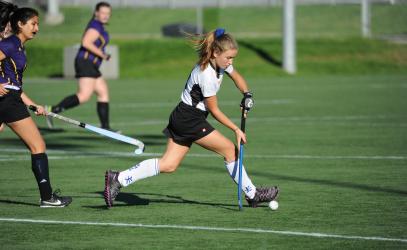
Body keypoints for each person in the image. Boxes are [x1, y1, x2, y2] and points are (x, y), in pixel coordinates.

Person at [104, 28, 279, 208]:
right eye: (228, 58)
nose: (230, 62)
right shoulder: (206, 75)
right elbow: (214, 110)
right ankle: (252, 194)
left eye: (233, 58)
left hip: (183, 117)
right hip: (190, 119)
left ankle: (118, 178)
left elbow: (236, 76)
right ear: (215, 53)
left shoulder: (220, 62)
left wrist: (247, 94)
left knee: (168, 165)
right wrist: (236, 129)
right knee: (230, 150)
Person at [0, 2, 72, 207]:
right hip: (7, 102)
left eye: (37, 24)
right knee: (38, 145)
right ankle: (48, 197)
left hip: (10, 98)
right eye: (32, 24)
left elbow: (14, 85)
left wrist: (33, 105)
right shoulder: (11, 44)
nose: (36, 28)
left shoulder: (17, 46)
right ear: (20, 24)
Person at [45, 2, 116, 131]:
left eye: (108, 13)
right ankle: (52, 110)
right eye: (103, 13)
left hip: (92, 65)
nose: (106, 15)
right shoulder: (95, 26)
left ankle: (105, 127)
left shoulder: (99, 27)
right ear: (96, 13)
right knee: (84, 96)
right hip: (85, 63)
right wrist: (103, 55)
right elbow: (86, 42)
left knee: (103, 92)